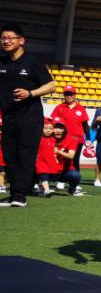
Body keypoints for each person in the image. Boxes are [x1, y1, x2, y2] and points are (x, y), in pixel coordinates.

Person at [0, 22, 56, 208]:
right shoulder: (2, 62)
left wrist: (30, 93)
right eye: (3, 38)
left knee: (25, 156)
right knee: (10, 157)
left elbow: (51, 85)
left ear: (21, 40)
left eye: (10, 38)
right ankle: (14, 192)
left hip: (30, 118)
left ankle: (21, 195)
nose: (6, 41)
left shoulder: (33, 62)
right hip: (8, 117)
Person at [50, 85, 90, 185]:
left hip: (77, 140)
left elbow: (85, 125)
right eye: (66, 94)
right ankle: (61, 180)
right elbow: (53, 123)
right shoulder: (59, 108)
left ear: (74, 95)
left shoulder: (81, 109)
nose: (68, 96)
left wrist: (88, 139)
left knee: (75, 161)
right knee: (60, 159)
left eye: (70, 94)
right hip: (62, 140)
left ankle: (74, 183)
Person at [35, 119, 82, 197]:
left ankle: (72, 189)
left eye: (61, 128)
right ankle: (32, 187)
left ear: (65, 129)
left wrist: (58, 151)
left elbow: (71, 156)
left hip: (62, 172)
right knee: (32, 168)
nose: (58, 130)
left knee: (76, 175)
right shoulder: (43, 139)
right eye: (55, 127)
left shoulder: (71, 140)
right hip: (46, 169)